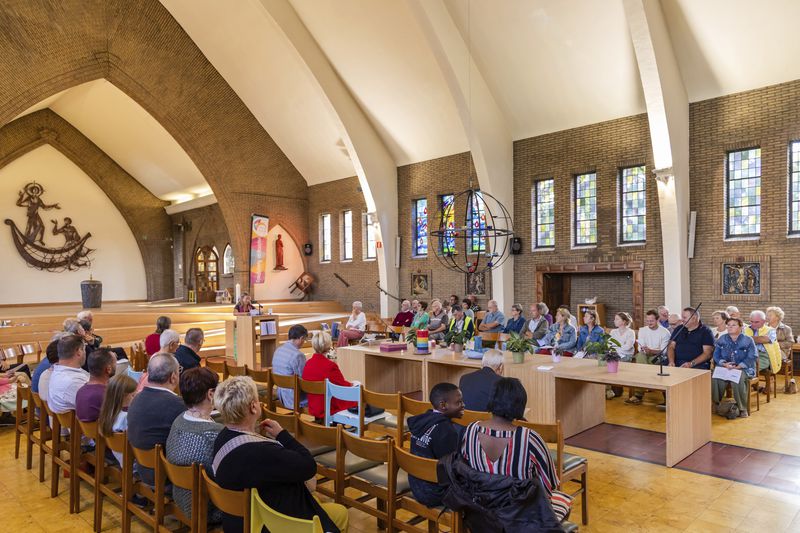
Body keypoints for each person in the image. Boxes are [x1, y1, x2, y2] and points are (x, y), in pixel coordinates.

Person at [212, 376, 348, 533]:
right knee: (339, 514)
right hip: (270, 524)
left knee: (337, 512)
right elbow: (308, 466)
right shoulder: (263, 452)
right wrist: (283, 435)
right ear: (253, 407)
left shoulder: (221, 439)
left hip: (237, 522)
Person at [460, 377, 572, 521]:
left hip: (481, 511)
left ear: (492, 399)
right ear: (520, 405)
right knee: (564, 502)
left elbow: (466, 469)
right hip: (520, 516)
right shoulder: (530, 438)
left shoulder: (471, 430)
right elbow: (549, 484)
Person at [166, 367, 224, 525]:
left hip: (181, 497)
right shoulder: (213, 434)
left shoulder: (179, 420)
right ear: (211, 394)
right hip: (209, 508)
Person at [127, 353, 186, 485]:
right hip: (165, 476)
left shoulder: (137, 397)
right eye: (179, 371)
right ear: (173, 377)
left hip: (141, 469)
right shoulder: (177, 404)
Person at [408, 383, 465, 507]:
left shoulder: (421, 422)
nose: (463, 405)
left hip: (416, 484)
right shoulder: (447, 431)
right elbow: (452, 470)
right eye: (459, 402)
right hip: (435, 493)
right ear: (443, 405)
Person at [302, 331, 357, 420]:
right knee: (357, 396)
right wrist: (353, 385)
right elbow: (343, 386)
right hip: (328, 407)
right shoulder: (330, 366)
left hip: (313, 406)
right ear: (328, 346)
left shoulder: (307, 363)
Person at [712, 317, 757, 418]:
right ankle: (716, 403)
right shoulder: (722, 339)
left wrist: (740, 366)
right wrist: (724, 364)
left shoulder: (748, 340)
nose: (730, 327)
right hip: (726, 366)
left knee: (738, 379)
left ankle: (742, 408)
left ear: (741, 327)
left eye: (733, 325)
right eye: (728, 325)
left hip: (744, 368)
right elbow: (716, 355)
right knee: (716, 377)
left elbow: (752, 356)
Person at [627, 309, 672, 404]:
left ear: (657, 320)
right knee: (640, 356)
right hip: (645, 355)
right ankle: (644, 386)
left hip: (658, 356)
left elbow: (663, 351)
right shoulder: (643, 330)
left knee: (641, 366)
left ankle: (639, 395)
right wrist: (644, 350)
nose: (649, 323)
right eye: (647, 321)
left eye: (651, 321)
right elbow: (640, 348)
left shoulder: (665, 332)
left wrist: (651, 351)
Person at [98, 374, 138, 465]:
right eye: (133, 395)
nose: (136, 398)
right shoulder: (125, 418)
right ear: (123, 397)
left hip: (121, 460)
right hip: (133, 464)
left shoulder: (108, 413)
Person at [48, 334, 89, 414]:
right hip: (80, 425)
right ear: (79, 352)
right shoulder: (74, 381)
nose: (85, 353)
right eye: (84, 349)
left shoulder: (57, 371)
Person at [271, 324, 309, 409]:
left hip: (280, 392)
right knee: (320, 392)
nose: (303, 342)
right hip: (293, 397)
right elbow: (304, 380)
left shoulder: (278, 350)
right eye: (304, 340)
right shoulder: (298, 355)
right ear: (301, 338)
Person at [76, 348, 116, 422]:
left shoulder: (80, 391)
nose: (116, 365)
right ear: (108, 369)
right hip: (103, 432)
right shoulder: (107, 394)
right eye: (115, 363)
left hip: (86, 433)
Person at [744, 310, 781, 378]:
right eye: (751, 321)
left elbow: (765, 339)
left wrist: (747, 339)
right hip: (747, 354)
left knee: (748, 369)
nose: (753, 324)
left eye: (756, 322)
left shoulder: (771, 330)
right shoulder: (745, 329)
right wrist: (759, 339)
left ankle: (749, 385)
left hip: (763, 356)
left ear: (764, 321)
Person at [766, 306, 794, 391]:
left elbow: (790, 342)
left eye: (770, 315)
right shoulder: (764, 327)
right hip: (767, 350)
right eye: (767, 314)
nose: (767, 317)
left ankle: (768, 382)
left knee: (768, 356)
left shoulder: (786, 328)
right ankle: (757, 382)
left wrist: (776, 344)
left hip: (782, 352)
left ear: (777, 317)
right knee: (760, 356)